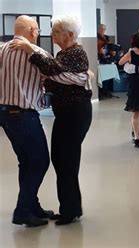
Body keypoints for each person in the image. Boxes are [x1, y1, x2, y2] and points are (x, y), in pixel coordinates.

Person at [10, 15, 93, 225]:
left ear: (70, 35)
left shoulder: (75, 52)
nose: (51, 35)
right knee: (61, 159)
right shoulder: (64, 53)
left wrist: (29, 49)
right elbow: (56, 76)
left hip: (75, 114)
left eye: (56, 32)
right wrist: (80, 78)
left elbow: (52, 70)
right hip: (66, 114)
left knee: (66, 160)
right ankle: (70, 207)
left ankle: (70, 210)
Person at [0, 15, 53, 227]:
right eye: (38, 30)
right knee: (40, 161)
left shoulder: (2, 49)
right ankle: (22, 210)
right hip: (23, 114)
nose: (38, 33)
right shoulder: (37, 53)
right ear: (31, 30)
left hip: (4, 113)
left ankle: (32, 205)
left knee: (27, 161)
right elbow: (53, 76)